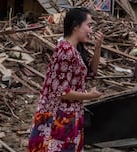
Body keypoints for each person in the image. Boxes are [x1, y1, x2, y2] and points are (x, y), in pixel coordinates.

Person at [27, 8, 104, 152]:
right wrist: (89, 96)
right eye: (89, 25)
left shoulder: (75, 49)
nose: (91, 30)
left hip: (69, 115)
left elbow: (92, 72)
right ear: (76, 26)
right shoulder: (65, 51)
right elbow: (61, 92)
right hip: (57, 117)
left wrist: (98, 47)